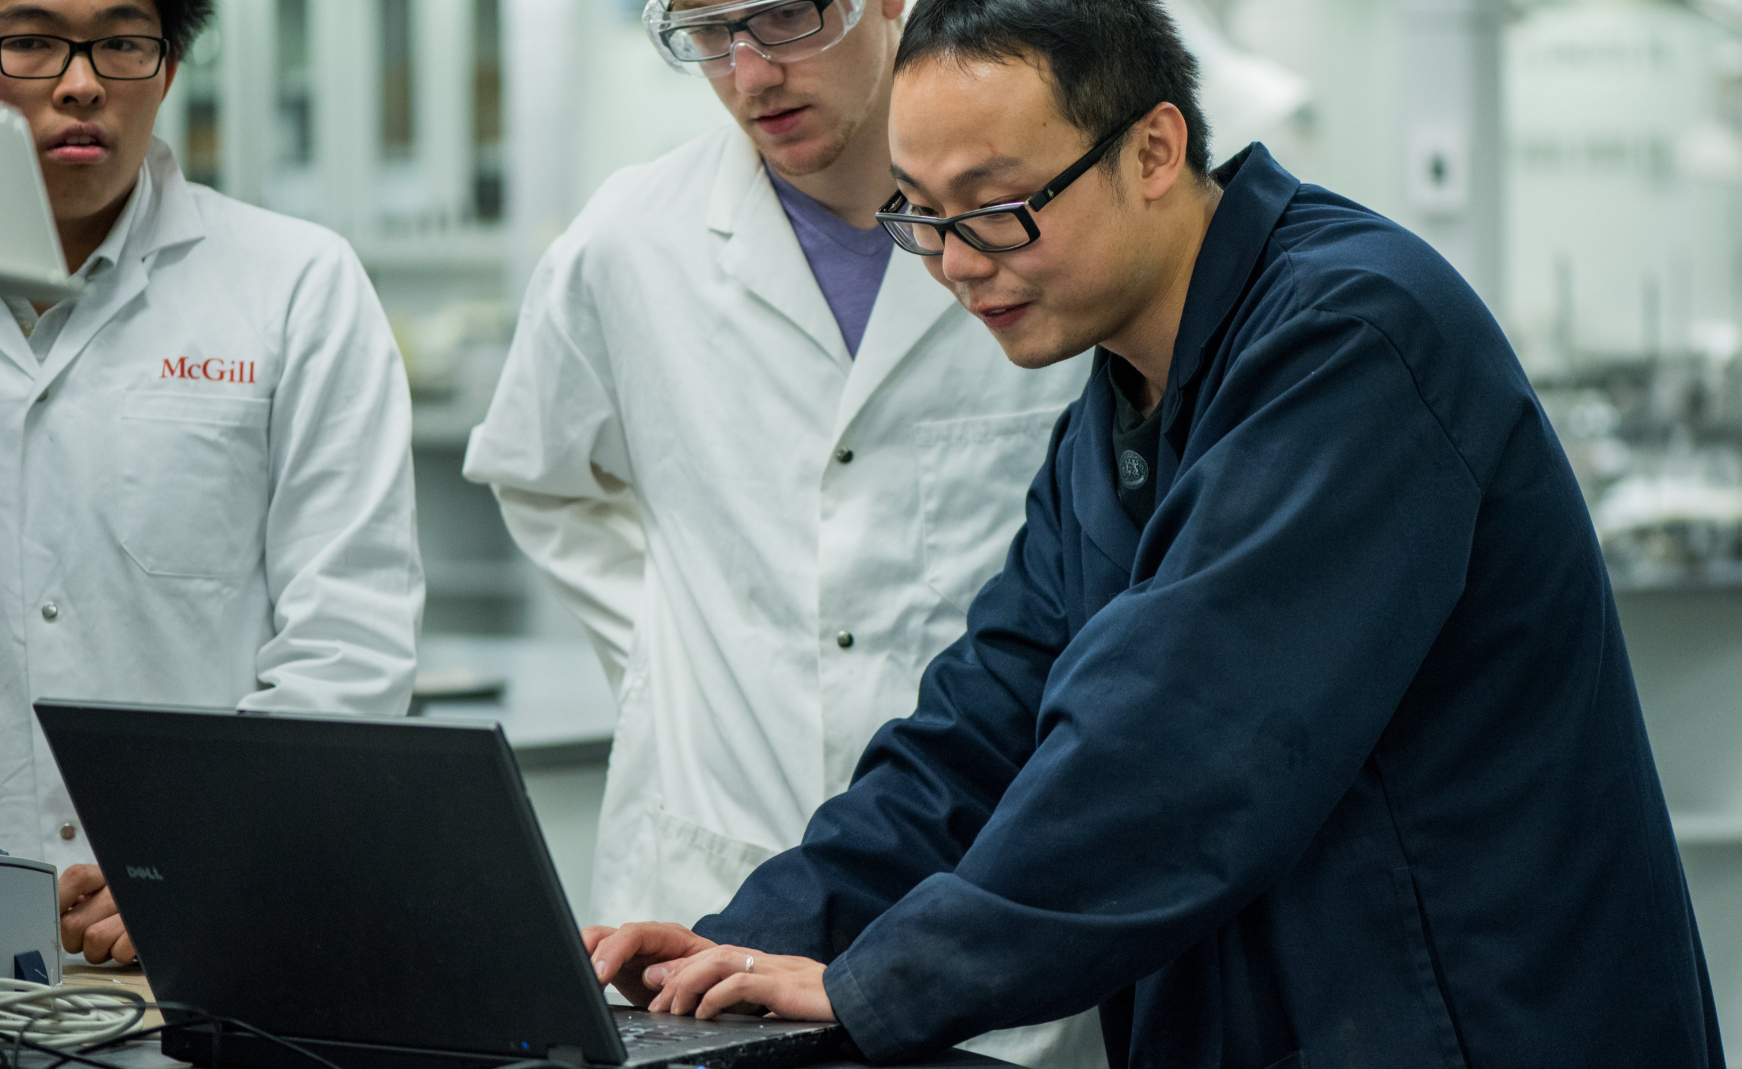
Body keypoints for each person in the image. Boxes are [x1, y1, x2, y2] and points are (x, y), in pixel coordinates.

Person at [581, 0, 1726, 1065]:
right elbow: (986, 723)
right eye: (922, 217)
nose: (961, 265)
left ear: (1153, 150)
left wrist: (881, 981)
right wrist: (737, 944)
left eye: (993, 205)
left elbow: (1186, 742)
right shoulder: (1122, 399)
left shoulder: (1353, 337)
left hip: (1464, 1012)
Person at [460, 0, 1097, 1063]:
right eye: (705, 33)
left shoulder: (1035, 237)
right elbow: (537, 474)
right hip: (705, 878)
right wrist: (669, 653)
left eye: (787, 16)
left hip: (988, 874)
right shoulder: (628, 241)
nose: (749, 72)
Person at [0, 0, 423, 965]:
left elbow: (349, 646)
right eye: (28, 41)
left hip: (217, 947)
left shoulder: (295, 285)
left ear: (172, 65)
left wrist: (199, 865)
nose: (79, 82)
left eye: (120, 41)